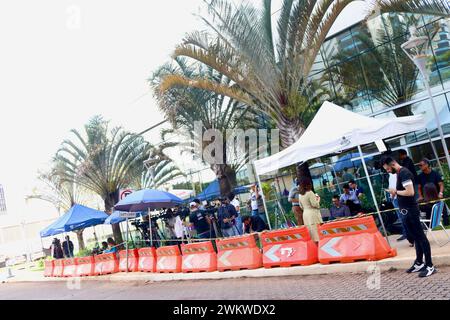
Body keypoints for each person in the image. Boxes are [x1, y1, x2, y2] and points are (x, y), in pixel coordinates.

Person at [383, 156, 435, 278]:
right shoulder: (400, 173)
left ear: (392, 164)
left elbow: (410, 192)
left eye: (387, 169)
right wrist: (394, 194)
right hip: (406, 210)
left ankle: (430, 265)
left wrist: (395, 191)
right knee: (416, 237)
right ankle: (419, 262)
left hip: (411, 210)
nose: (388, 171)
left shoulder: (404, 173)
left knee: (421, 237)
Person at [417, 158, 448, 225]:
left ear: (427, 165)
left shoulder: (435, 174)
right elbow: (419, 187)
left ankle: (446, 224)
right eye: (419, 165)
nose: (420, 167)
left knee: (443, 210)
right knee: (428, 213)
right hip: (426, 198)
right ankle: (430, 227)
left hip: (437, 196)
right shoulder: (420, 176)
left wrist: (440, 193)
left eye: (421, 165)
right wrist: (420, 196)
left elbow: (441, 185)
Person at [388, 171, 412, 245]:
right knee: (402, 217)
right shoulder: (392, 175)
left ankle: (407, 233)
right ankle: (407, 233)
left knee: (402, 217)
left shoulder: (394, 175)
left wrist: (392, 196)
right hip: (396, 197)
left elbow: (394, 188)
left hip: (396, 198)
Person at [298, 178, 323, 243]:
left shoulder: (300, 195)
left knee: (311, 233)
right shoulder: (310, 193)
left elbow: (301, 206)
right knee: (317, 234)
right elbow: (314, 204)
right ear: (307, 185)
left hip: (305, 214)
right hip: (312, 214)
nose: (311, 185)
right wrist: (318, 199)